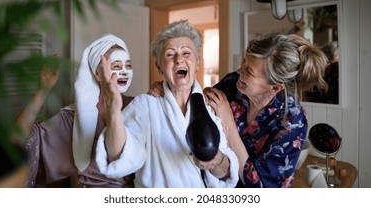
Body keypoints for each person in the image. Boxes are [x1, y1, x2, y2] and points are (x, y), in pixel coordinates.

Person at [95, 20, 239, 188]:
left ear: (197, 62)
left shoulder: (212, 107)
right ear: (159, 66)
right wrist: (113, 112)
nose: (179, 59)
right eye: (170, 54)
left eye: (186, 53)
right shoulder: (145, 105)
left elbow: (227, 174)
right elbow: (119, 154)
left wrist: (216, 160)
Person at [203, 34, 328, 187]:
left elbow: (262, 185)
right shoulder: (232, 83)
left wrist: (228, 123)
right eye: (244, 61)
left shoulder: (292, 121)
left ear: (275, 87)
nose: (239, 70)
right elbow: (201, 110)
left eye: (249, 71)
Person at [20, 34, 135, 187]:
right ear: (98, 74)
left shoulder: (137, 107)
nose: (124, 72)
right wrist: (43, 90)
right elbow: (20, 136)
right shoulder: (73, 118)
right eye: (116, 66)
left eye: (128, 65)